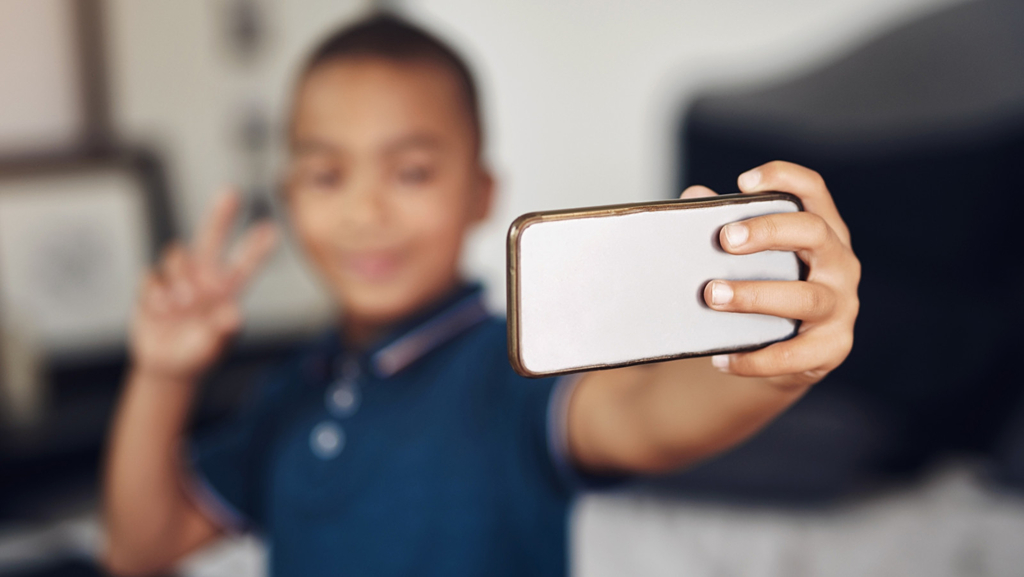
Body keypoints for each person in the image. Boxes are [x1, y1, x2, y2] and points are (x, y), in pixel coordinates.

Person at [102, 13, 860, 577]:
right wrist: (162, 372)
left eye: (411, 172)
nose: (366, 211)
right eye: (328, 175)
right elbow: (141, 547)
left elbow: (646, 414)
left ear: (481, 193)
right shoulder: (292, 389)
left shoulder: (515, 367)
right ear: (289, 196)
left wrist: (782, 365)